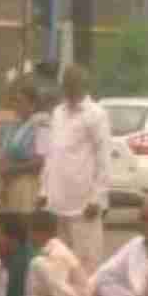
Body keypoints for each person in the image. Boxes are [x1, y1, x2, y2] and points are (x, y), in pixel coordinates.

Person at [39, 65, 111, 278]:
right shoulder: (58, 113)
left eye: (73, 85)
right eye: (66, 85)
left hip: (84, 206)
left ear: (82, 86)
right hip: (57, 203)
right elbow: (51, 155)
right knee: (60, 267)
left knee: (85, 269)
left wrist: (97, 198)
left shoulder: (96, 114)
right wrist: (43, 192)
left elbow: (104, 159)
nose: (69, 89)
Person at [27, 208, 90, 296]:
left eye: (30, 232)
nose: (28, 237)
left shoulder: (55, 256)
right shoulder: (53, 251)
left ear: (38, 233)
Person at [1, 81, 49, 219]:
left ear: (32, 104)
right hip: (9, 186)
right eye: (15, 101)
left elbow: (40, 162)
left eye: (21, 101)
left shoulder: (43, 126)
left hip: (28, 186)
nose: (17, 105)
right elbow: (4, 154)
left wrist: (13, 169)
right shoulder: (12, 126)